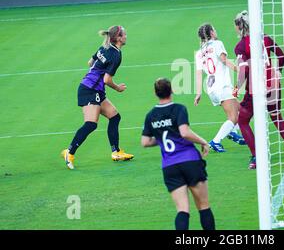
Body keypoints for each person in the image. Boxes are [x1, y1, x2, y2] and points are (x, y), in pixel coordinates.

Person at [141, 78, 215, 230]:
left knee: (182, 210)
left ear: (156, 93)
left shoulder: (151, 115)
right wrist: (203, 142)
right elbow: (184, 132)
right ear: (172, 91)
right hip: (190, 162)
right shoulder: (178, 109)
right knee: (203, 206)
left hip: (170, 166)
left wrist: (161, 138)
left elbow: (145, 142)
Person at [233, 10, 284, 169]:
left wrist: (237, 87)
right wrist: (278, 72)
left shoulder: (241, 46)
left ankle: (256, 157)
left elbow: (244, 71)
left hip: (255, 87)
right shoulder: (266, 38)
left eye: (235, 26)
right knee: (276, 116)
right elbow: (281, 56)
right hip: (273, 84)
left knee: (242, 120)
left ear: (240, 27)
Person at [61, 25, 134, 170]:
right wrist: (118, 88)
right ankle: (69, 152)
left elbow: (90, 62)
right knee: (91, 124)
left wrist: (95, 74)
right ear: (118, 38)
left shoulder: (104, 47)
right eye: (124, 34)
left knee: (114, 117)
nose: (126, 36)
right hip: (89, 90)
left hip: (95, 89)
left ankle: (116, 152)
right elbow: (107, 80)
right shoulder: (116, 55)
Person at [194, 23, 246, 153]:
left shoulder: (199, 52)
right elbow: (224, 60)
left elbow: (199, 73)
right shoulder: (217, 44)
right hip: (222, 86)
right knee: (233, 117)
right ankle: (215, 142)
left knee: (242, 109)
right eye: (214, 29)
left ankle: (232, 132)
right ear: (211, 33)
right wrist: (238, 70)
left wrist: (198, 93)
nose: (216, 31)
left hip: (211, 89)